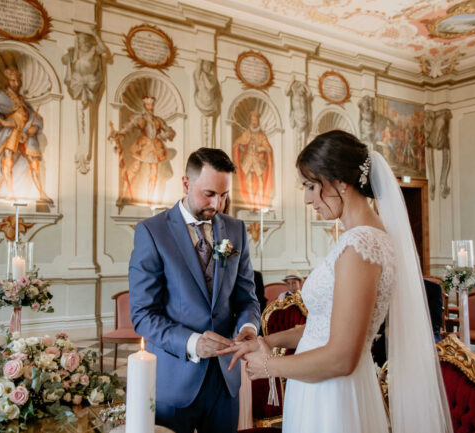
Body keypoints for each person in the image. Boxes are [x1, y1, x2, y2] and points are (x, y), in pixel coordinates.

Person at [221, 130, 452, 432]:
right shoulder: (363, 239)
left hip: (333, 397)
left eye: (311, 186)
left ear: (340, 181)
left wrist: (269, 366)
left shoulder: (360, 246)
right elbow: (325, 327)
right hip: (321, 388)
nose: (307, 199)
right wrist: (268, 341)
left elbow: (342, 358)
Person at [129, 147, 261, 433]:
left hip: (225, 379)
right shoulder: (152, 232)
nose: (218, 205)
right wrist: (193, 342)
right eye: (209, 194)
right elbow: (143, 315)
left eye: (224, 195)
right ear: (186, 183)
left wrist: (248, 326)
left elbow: (247, 297)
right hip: (175, 380)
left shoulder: (235, 230)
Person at [0, 67, 52, 204]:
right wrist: (2, 122)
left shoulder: (22, 101)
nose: (16, 84)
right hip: (11, 132)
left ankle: (41, 193)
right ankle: (10, 192)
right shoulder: (2, 96)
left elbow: (34, 117)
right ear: (7, 81)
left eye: (18, 81)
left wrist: (34, 127)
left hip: (25, 133)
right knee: (7, 160)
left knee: (34, 161)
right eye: (13, 81)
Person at [110, 95, 175, 205]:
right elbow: (129, 126)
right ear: (145, 105)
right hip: (143, 145)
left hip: (155, 147)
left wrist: (161, 136)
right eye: (148, 104)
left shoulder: (158, 120)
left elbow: (169, 132)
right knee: (134, 169)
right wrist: (120, 133)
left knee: (153, 173)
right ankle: (123, 194)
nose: (150, 107)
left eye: (152, 104)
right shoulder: (140, 118)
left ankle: (150, 199)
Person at [232, 110, 274, 210]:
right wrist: (241, 147)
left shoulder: (262, 135)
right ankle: (250, 205)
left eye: (255, 120)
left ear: (258, 121)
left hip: (258, 160)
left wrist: (261, 148)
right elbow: (237, 143)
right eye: (252, 120)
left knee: (260, 181)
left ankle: (261, 203)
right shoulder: (246, 133)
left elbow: (268, 149)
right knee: (248, 182)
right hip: (248, 159)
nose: (254, 122)